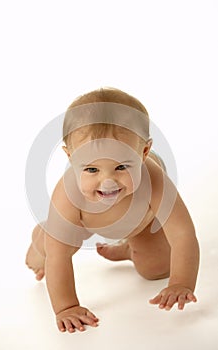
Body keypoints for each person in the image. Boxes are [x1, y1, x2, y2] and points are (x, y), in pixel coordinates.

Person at [25, 87, 200, 333]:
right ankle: (37, 241)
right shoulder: (67, 194)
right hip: (81, 225)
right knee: (53, 245)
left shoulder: (155, 180)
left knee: (158, 267)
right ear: (70, 156)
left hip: (140, 225)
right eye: (92, 170)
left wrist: (181, 283)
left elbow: (182, 234)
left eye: (121, 167)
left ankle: (129, 249)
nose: (107, 181)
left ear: (144, 152)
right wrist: (66, 307)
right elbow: (59, 257)